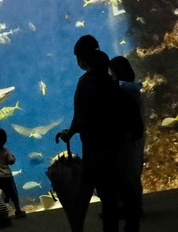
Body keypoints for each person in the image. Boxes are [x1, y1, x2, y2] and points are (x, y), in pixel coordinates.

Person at [57, 43, 142, 232]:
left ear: (82, 60)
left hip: (96, 148)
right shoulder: (113, 84)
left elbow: (79, 116)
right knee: (124, 185)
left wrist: (69, 133)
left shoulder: (85, 84)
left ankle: (111, 228)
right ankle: (132, 225)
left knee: (107, 194)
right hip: (118, 145)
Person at [109, 55, 144, 217]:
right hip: (136, 134)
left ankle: (131, 208)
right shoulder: (134, 87)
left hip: (128, 136)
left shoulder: (124, 88)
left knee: (127, 172)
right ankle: (134, 206)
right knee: (134, 171)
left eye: (111, 72)